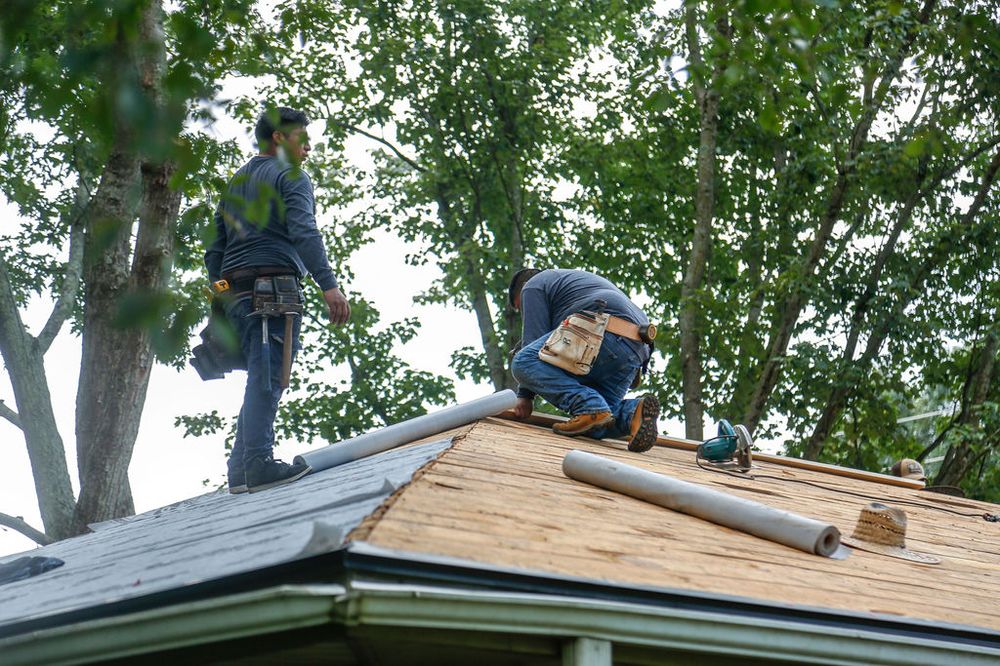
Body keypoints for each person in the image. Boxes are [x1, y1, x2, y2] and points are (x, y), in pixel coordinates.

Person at [204, 106, 351, 494]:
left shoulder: (236, 183)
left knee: (261, 374)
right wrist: (329, 285)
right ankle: (258, 462)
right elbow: (304, 231)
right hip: (273, 290)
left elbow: (213, 251)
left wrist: (222, 296)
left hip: (236, 294)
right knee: (269, 375)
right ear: (279, 138)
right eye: (303, 138)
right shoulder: (291, 175)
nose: (308, 148)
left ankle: (240, 469)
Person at [508, 268, 660, 452]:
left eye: (522, 307)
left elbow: (534, 347)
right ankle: (632, 413)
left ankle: (590, 407)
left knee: (522, 362)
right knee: (595, 425)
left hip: (601, 330)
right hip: (636, 349)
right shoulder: (575, 286)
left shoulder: (533, 285)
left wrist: (525, 395)